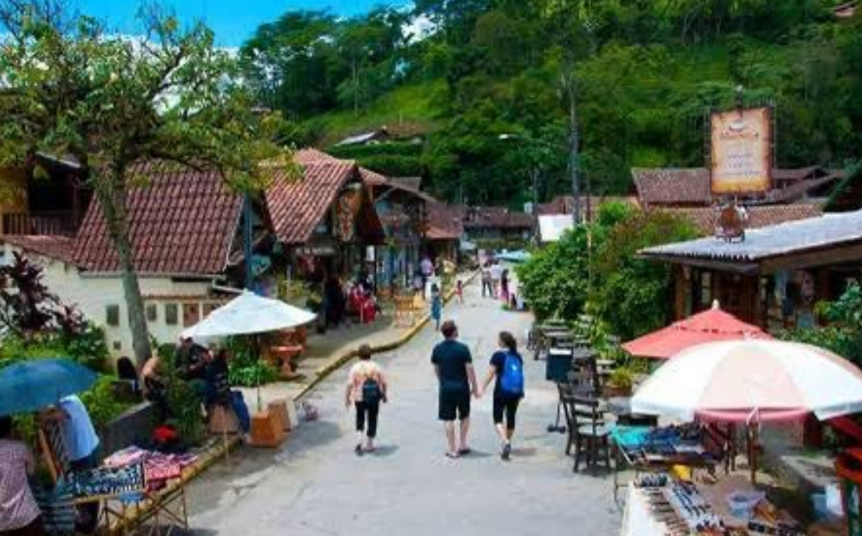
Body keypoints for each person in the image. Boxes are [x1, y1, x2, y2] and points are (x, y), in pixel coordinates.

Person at [42, 395, 99, 533]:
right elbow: (52, 413)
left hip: (83, 454)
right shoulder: (65, 400)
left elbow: (56, 416)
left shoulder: (70, 402)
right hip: (85, 450)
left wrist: (41, 416)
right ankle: (88, 524)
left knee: (85, 493)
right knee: (87, 490)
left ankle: (87, 526)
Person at [431, 321, 479, 459]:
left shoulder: (437, 349)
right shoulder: (463, 348)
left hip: (446, 388)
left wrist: (442, 381)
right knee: (465, 415)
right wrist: (474, 387)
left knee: (448, 419)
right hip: (462, 387)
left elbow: (436, 368)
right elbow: (470, 369)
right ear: (453, 332)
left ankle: (452, 449)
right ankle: (462, 444)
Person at [480, 331, 525, 460]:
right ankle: (507, 443)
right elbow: (520, 375)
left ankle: (506, 442)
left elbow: (490, 374)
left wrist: (482, 388)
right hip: (516, 392)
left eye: (498, 339)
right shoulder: (517, 356)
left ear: (502, 342)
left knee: (497, 418)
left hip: (501, 391)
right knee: (511, 416)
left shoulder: (498, 356)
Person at [0, 416, 45, 536]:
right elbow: (32, 471)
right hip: (28, 515)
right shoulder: (20, 447)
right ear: (10, 429)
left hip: (5, 522)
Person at [344, 344, 388, 455]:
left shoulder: (355, 367)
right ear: (370, 354)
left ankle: (359, 439)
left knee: (360, 417)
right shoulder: (376, 366)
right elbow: (384, 383)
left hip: (359, 398)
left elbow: (349, 384)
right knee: (372, 418)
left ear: (359, 355)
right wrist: (384, 394)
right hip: (374, 398)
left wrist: (347, 398)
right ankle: (369, 444)